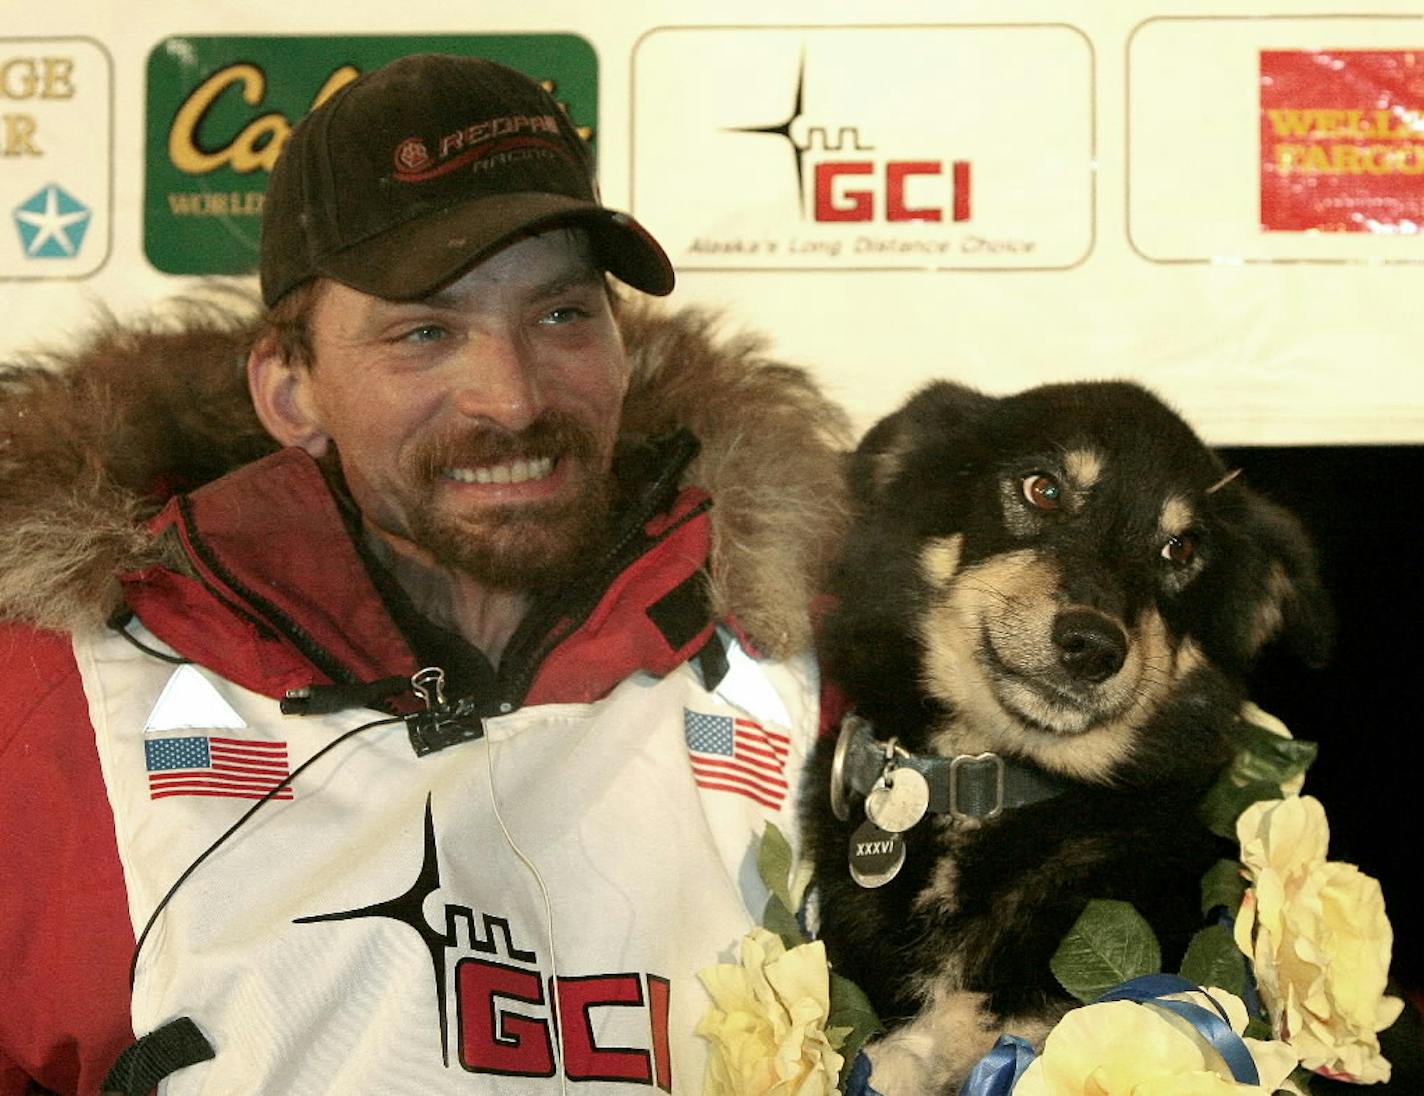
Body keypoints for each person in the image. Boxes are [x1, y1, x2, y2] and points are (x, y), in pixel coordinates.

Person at [0, 53, 851, 1094]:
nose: (509, 397)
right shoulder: (57, 706)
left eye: (560, 316)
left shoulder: (812, 665)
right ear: (291, 391)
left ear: (624, 347)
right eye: (424, 333)